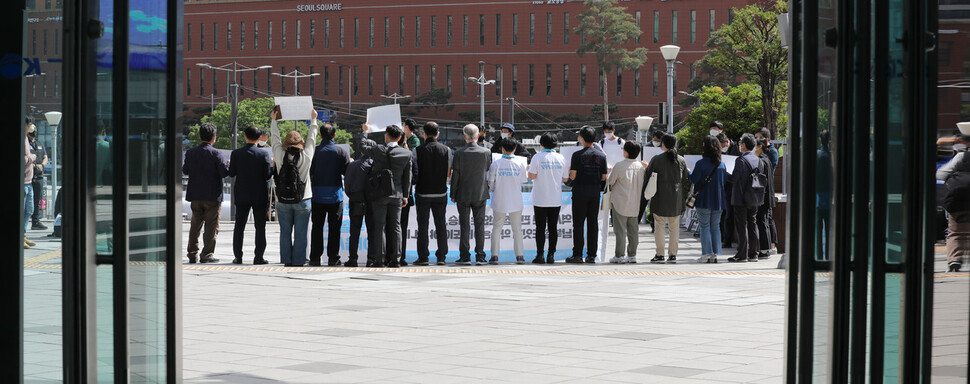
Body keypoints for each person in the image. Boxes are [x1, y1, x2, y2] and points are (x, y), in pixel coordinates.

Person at [270, 107, 319, 267]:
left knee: (285, 232)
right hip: (303, 199)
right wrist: (313, 120)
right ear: (301, 144)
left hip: (283, 200)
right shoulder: (306, 156)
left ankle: (286, 260)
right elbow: (312, 139)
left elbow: (274, 139)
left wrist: (274, 120)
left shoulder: (279, 155)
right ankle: (298, 261)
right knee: (301, 233)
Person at [359, 123, 413, 268]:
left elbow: (362, 146)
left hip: (379, 194)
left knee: (380, 226)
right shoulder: (406, 154)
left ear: (387, 136)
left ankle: (379, 260)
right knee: (396, 227)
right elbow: (408, 177)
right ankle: (396, 259)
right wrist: (406, 196)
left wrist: (365, 132)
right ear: (401, 137)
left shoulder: (378, 150)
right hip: (397, 195)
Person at [182, 122, 229, 263]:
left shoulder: (191, 152)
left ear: (199, 135)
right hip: (212, 196)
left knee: (195, 225)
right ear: (214, 137)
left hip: (195, 195)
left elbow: (185, 171)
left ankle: (192, 253)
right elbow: (223, 172)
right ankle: (207, 254)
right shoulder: (217, 153)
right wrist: (228, 164)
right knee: (211, 226)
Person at [228, 126, 273, 265]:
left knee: (239, 226)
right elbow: (267, 175)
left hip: (241, 193)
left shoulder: (236, 153)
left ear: (244, 136)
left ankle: (238, 256)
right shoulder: (263, 154)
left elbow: (231, 173)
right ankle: (258, 257)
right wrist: (272, 167)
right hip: (259, 194)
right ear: (259, 138)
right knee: (260, 226)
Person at [309, 121, 350, 266]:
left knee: (317, 227)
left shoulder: (314, 151)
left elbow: (310, 172)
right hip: (335, 196)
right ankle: (333, 258)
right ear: (334, 135)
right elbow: (346, 172)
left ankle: (314, 258)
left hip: (317, 195)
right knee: (334, 229)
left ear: (320, 135)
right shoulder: (341, 151)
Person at [451, 124, 493, 265]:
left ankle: (465, 255)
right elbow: (487, 169)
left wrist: (453, 193)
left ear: (464, 136)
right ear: (478, 136)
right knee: (480, 225)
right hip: (480, 193)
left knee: (464, 225)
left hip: (463, 193)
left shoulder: (458, 153)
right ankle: (480, 255)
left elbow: (455, 175)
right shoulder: (486, 152)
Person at [645, 133, 690, 264]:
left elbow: (647, 174)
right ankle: (673, 254)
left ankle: (660, 254)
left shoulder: (657, 159)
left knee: (659, 225)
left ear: (663, 144)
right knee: (674, 226)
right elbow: (685, 177)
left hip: (659, 195)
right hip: (675, 197)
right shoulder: (681, 160)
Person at [565, 126, 608, 264]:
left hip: (579, 193)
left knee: (578, 224)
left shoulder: (577, 155)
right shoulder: (601, 156)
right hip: (595, 193)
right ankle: (591, 255)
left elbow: (573, 175)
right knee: (592, 224)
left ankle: (577, 255)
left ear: (582, 138)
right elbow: (604, 177)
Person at [413, 122, 453, 266]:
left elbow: (415, 173)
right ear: (438, 133)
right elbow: (449, 172)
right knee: (441, 224)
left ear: (424, 133)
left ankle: (423, 257)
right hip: (440, 192)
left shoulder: (417, 150)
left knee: (422, 225)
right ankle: (441, 256)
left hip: (422, 192)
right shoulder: (447, 150)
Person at [488, 138, 530, 264]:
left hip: (499, 200)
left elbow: (490, 183)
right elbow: (524, 181)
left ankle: (494, 256)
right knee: (517, 229)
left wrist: (496, 188)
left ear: (502, 149)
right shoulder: (520, 164)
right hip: (516, 201)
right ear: (515, 149)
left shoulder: (496, 164)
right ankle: (520, 256)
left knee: (496, 228)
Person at [727, 133, 765, 263]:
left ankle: (742, 255)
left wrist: (725, 174)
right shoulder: (759, 160)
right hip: (755, 197)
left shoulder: (740, 160)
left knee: (742, 225)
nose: (740, 145)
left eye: (740, 143)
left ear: (743, 145)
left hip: (741, 198)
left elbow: (734, 179)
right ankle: (754, 253)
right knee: (753, 224)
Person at [528, 132, 566, 264]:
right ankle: (551, 255)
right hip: (555, 198)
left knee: (540, 227)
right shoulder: (561, 158)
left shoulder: (537, 157)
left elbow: (532, 176)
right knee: (552, 227)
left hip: (540, 198)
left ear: (541, 144)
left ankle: (540, 255)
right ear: (555, 144)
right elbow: (565, 178)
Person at [936, 126, 970, 272]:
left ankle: (954, 260)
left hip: (959, 198)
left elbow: (941, 174)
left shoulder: (962, 157)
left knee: (955, 231)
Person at [690, 135, 728, 264]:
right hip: (718, 200)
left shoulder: (700, 163)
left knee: (704, 226)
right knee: (715, 226)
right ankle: (715, 253)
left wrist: (689, 173)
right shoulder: (721, 164)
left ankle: (706, 253)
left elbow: (694, 179)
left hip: (704, 199)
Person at [606, 141, 646, 264]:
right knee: (633, 231)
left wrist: (610, 173)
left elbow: (610, 182)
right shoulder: (641, 167)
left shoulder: (619, 165)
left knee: (620, 231)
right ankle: (632, 254)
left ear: (626, 152)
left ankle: (619, 255)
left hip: (620, 202)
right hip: (635, 203)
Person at [344, 151, 374, 267]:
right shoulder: (374, 164)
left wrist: (352, 196)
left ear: (361, 151)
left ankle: (352, 258)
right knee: (372, 231)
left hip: (356, 199)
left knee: (354, 231)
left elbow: (347, 184)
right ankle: (371, 258)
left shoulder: (353, 165)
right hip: (371, 201)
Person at [754, 136, 777, 260]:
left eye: (755, 146)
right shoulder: (766, 159)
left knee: (762, 222)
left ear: (760, 147)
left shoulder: (761, 160)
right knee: (765, 222)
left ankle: (764, 249)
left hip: (763, 196)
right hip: (768, 195)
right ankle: (767, 248)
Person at [28, 124, 48, 230]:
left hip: (39, 176)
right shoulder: (25, 143)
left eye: (36, 129)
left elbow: (45, 157)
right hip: (28, 177)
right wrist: (35, 165)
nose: (35, 131)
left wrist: (42, 165)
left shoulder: (39, 144)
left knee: (37, 200)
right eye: (33, 129)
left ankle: (35, 222)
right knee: (28, 202)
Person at [24, 119, 37, 249]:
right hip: (23, 182)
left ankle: (23, 235)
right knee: (22, 210)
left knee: (29, 210)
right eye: (30, 125)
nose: (32, 127)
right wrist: (32, 158)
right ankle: (19, 237)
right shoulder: (21, 139)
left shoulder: (27, 139)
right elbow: (22, 159)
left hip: (29, 181)